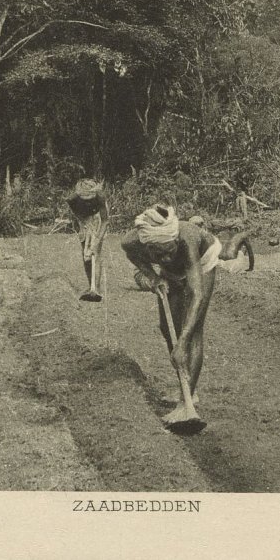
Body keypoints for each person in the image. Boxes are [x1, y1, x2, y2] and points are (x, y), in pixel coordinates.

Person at [121, 205, 221, 430]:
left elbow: (196, 294)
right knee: (168, 329)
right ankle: (187, 388)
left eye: (169, 250)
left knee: (192, 330)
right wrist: (152, 276)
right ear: (147, 246)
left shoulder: (187, 240)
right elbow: (131, 255)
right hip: (173, 270)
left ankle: (186, 401)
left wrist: (183, 342)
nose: (164, 257)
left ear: (175, 241)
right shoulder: (132, 241)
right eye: (158, 253)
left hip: (202, 262)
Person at [66, 179, 109, 302]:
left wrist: (96, 241)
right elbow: (74, 211)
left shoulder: (100, 196)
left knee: (96, 251)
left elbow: (105, 220)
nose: (88, 201)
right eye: (85, 199)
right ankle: (91, 285)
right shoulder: (72, 199)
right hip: (83, 220)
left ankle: (97, 288)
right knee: (85, 253)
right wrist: (83, 221)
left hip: (97, 218)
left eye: (90, 198)